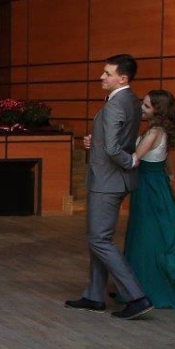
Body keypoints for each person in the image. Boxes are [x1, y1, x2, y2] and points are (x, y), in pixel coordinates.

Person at [66, 54, 153, 319]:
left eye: (107, 73)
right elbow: (119, 137)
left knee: (99, 239)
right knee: (99, 238)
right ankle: (94, 296)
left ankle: (137, 297)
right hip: (114, 179)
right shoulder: (131, 100)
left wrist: (131, 160)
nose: (101, 77)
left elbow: (115, 148)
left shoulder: (116, 103)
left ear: (122, 78)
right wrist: (96, 141)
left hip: (108, 180)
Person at [119, 90, 175, 311]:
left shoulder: (153, 132)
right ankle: (138, 286)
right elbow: (167, 161)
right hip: (156, 183)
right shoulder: (161, 130)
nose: (141, 109)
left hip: (148, 185)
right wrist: (169, 178)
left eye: (146, 106)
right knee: (154, 232)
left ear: (158, 110)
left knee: (146, 234)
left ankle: (143, 288)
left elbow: (134, 159)